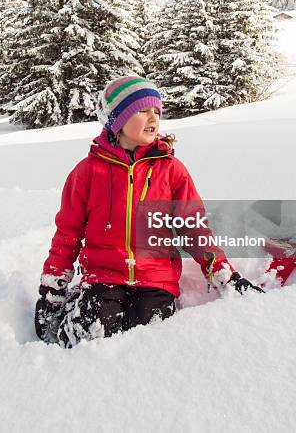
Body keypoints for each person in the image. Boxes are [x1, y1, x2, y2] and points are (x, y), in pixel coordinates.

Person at [35, 75, 263, 348]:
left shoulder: (171, 170)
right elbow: (68, 233)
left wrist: (220, 270)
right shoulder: (87, 172)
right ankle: (75, 307)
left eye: (157, 111)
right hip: (103, 276)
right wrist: (53, 287)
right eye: (142, 110)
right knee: (90, 332)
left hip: (156, 278)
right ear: (117, 120)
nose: (153, 117)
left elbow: (194, 227)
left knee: (149, 336)